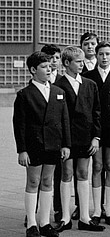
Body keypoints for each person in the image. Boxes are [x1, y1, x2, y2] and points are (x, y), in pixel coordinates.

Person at [13, 51, 71, 237]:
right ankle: (31, 223)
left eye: (50, 66)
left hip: (54, 144)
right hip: (34, 145)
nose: (49, 69)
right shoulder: (24, 95)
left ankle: (45, 222)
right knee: (33, 182)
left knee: (47, 182)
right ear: (32, 70)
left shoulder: (58, 92)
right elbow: (19, 125)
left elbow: (64, 121)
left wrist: (66, 145)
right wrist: (22, 150)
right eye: (44, 67)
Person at [55, 47, 104, 232]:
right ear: (67, 63)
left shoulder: (90, 84)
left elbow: (97, 113)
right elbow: (58, 117)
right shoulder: (58, 86)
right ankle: (65, 217)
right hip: (66, 140)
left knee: (83, 173)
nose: (82, 64)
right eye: (78, 61)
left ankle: (85, 217)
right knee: (67, 174)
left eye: (83, 61)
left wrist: (96, 138)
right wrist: (63, 143)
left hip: (86, 138)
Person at [82, 41, 110, 227]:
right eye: (101, 54)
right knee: (97, 166)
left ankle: (109, 210)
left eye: (108, 54)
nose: (104, 57)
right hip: (95, 129)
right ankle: (96, 210)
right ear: (97, 55)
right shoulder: (88, 76)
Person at [39, 44, 62, 224]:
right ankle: (36, 211)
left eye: (56, 58)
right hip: (42, 138)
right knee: (41, 177)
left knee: (59, 174)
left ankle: (59, 209)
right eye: (49, 58)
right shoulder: (38, 79)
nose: (53, 62)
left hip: (58, 136)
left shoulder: (62, 80)